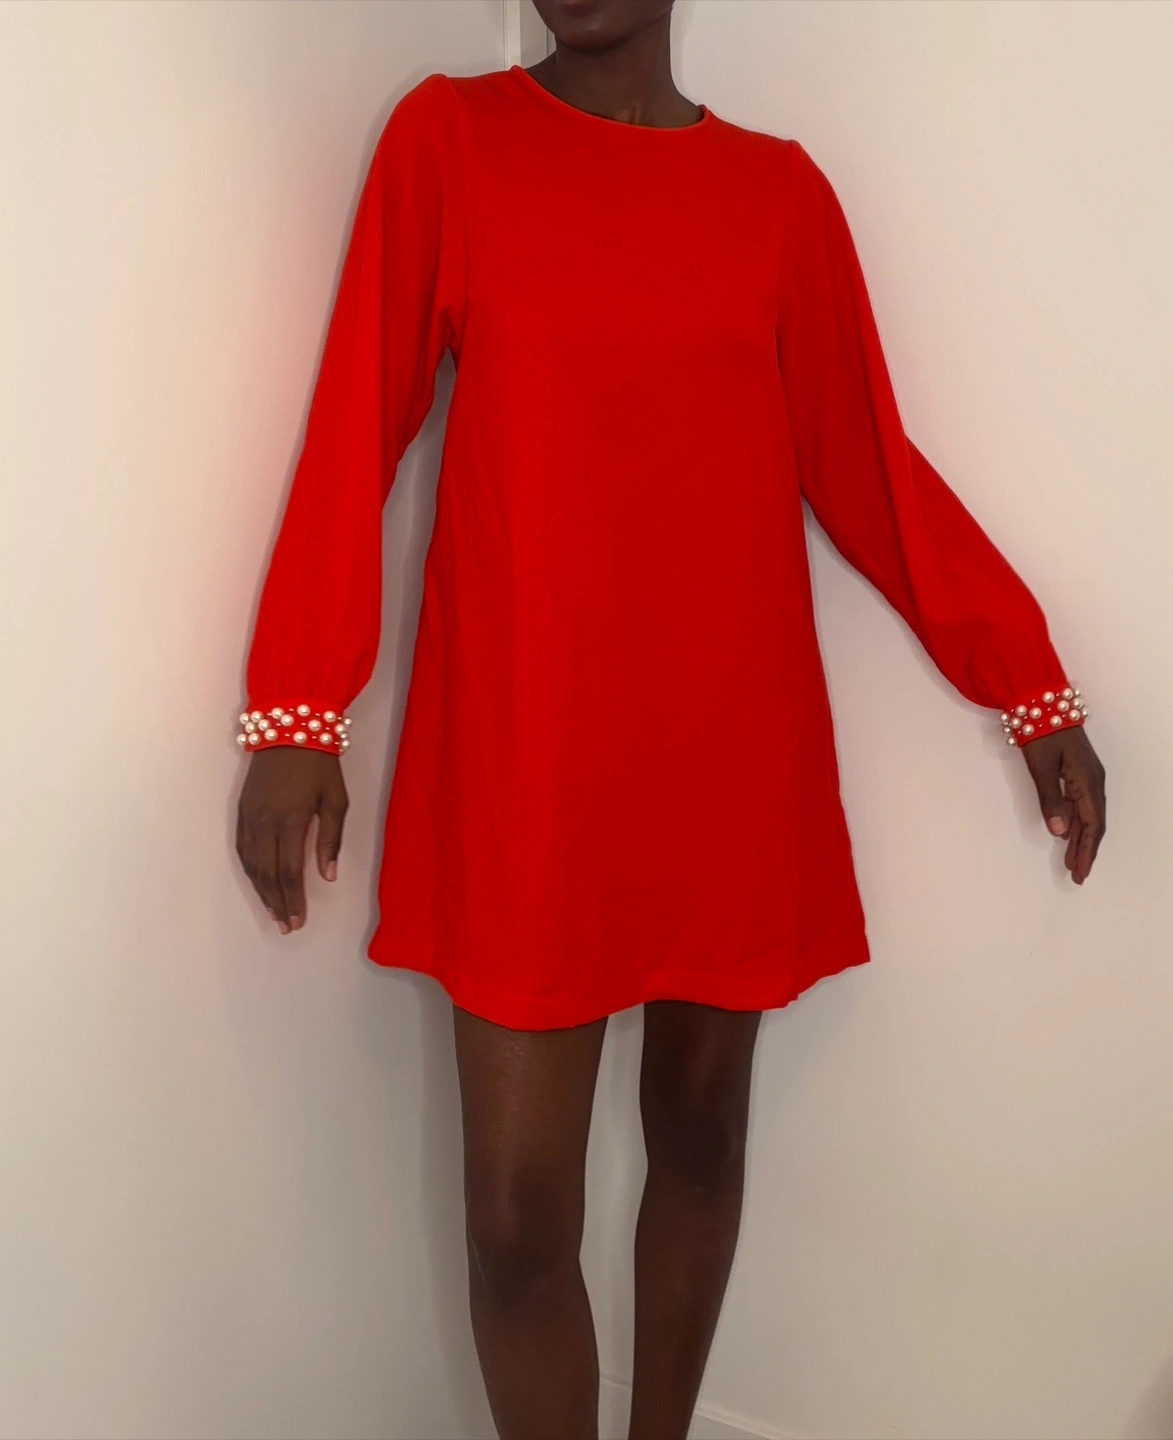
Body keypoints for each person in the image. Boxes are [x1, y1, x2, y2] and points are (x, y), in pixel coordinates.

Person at [232, 2, 1107, 1436]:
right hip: (525, 749)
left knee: (699, 1137)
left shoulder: (779, 196)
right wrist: (295, 710)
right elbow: (352, 423)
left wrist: (1028, 682)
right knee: (516, 1222)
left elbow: (867, 464)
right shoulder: (450, 142)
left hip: (727, 748)